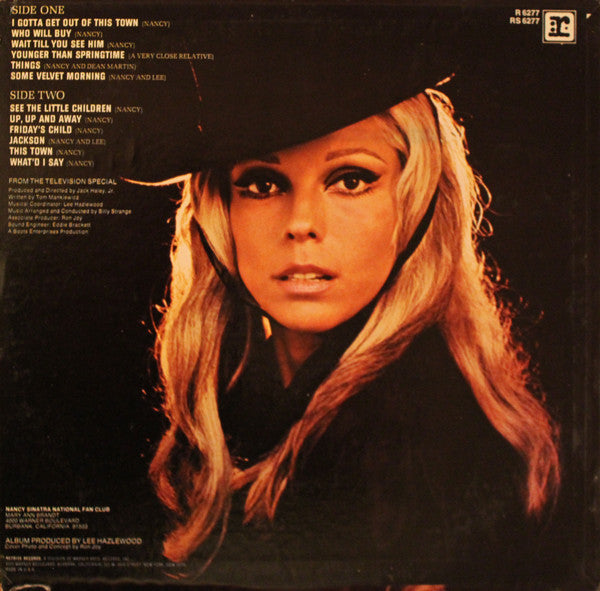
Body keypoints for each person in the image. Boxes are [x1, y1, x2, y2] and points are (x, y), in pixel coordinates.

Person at [127, 18, 561, 587]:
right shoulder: (231, 406)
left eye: (351, 180)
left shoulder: (422, 447)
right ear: (220, 213)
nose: (302, 224)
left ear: (416, 202)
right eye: (262, 184)